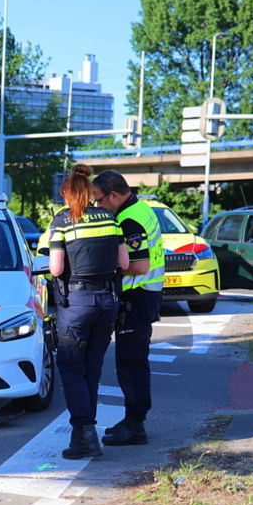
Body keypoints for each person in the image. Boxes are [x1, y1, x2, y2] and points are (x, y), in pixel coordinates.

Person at [49, 165, 129, 460]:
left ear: (70, 194)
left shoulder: (64, 221)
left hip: (77, 303)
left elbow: (56, 268)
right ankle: (85, 432)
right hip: (107, 301)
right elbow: (123, 261)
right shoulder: (110, 218)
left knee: (71, 367)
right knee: (92, 367)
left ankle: (84, 432)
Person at [91, 170, 165, 447]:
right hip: (145, 294)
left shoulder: (129, 219)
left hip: (137, 296)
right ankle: (133, 418)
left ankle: (135, 424)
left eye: (99, 200)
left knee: (131, 363)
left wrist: (103, 266)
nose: (97, 206)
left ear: (114, 195)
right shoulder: (141, 208)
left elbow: (139, 265)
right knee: (132, 360)